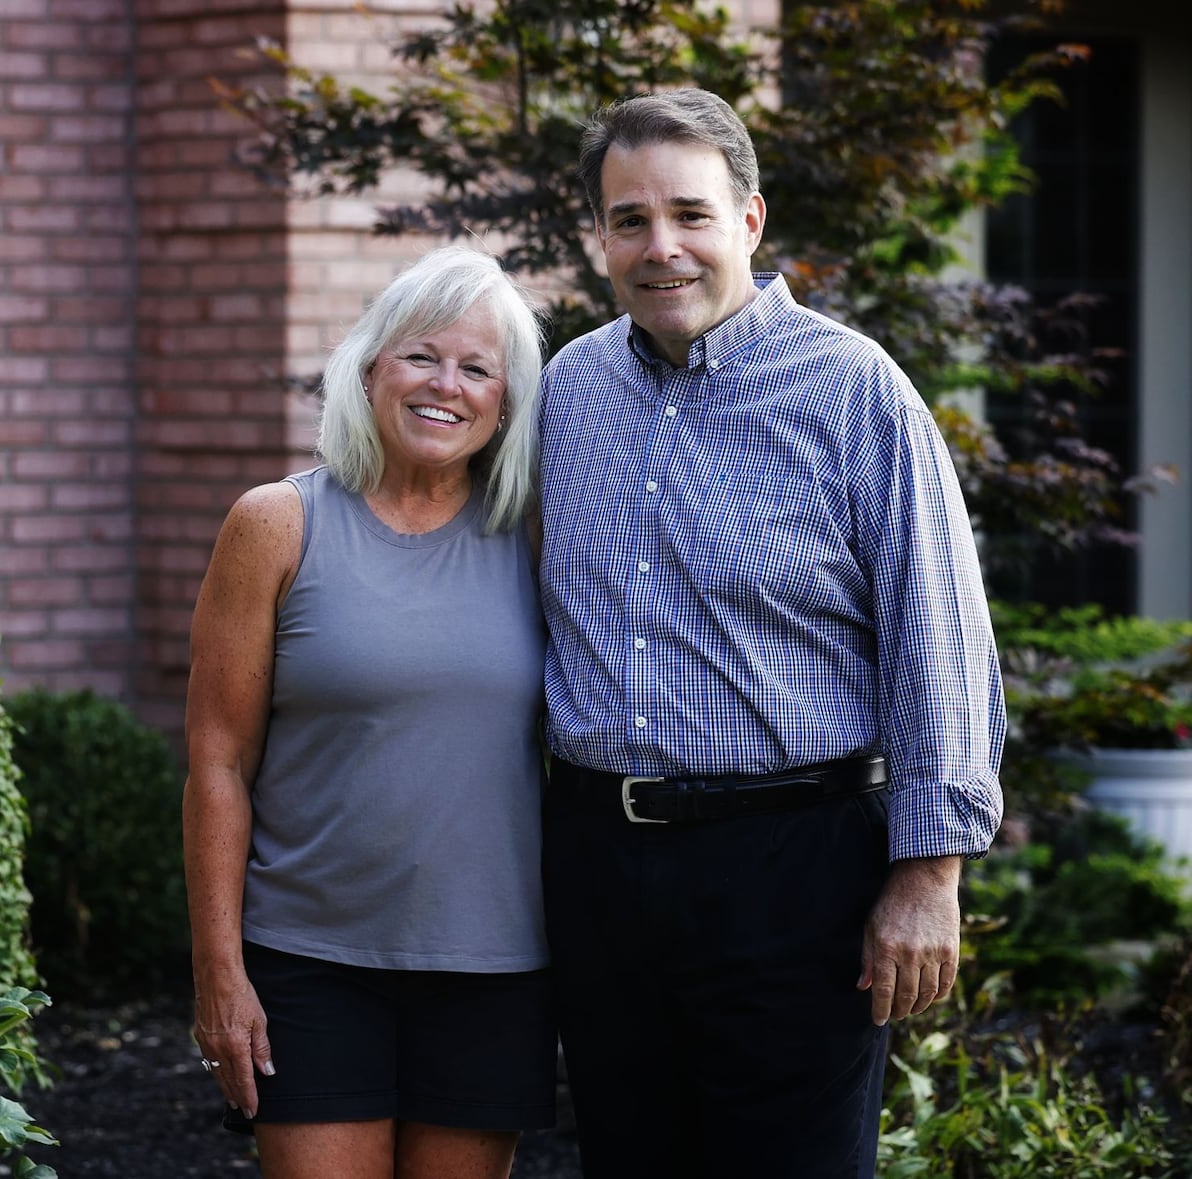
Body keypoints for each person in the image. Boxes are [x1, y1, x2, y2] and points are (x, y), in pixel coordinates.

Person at [537, 88, 1006, 1177]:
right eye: (629, 220)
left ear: (748, 220)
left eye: (690, 215)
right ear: (597, 236)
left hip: (793, 876)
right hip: (598, 869)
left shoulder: (853, 392)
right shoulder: (568, 390)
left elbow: (938, 642)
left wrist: (926, 879)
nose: (662, 248)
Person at [181, 243, 556, 1179]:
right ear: (369, 367)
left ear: (505, 402)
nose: (446, 385)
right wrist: (218, 974)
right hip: (308, 964)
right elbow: (217, 762)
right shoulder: (275, 523)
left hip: (495, 968)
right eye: (422, 356)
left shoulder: (542, 537)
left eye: (478, 368)